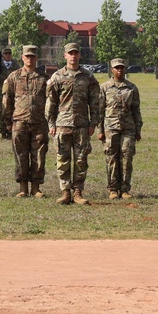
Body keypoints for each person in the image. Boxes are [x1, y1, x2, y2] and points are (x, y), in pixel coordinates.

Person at [45, 42, 100, 205]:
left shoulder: (88, 77)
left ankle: (78, 192)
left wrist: (93, 122)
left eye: (76, 53)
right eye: (70, 53)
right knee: (62, 159)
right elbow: (51, 103)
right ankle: (65, 192)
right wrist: (51, 124)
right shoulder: (57, 77)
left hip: (82, 125)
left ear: (79, 55)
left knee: (81, 160)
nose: (73, 56)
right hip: (62, 125)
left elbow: (94, 101)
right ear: (65, 56)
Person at [1, 45, 49, 197]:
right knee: (20, 155)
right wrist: (8, 122)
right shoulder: (13, 77)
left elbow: (51, 101)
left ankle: (36, 188)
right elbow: (6, 100)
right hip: (19, 122)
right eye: (27, 56)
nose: (30, 58)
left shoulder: (44, 78)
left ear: (36, 58)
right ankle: (23, 188)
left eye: (32, 56)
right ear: (22, 57)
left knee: (39, 156)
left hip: (39, 122)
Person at [97, 58, 142, 200]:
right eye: (116, 68)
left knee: (127, 158)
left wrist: (138, 129)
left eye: (122, 67)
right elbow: (100, 110)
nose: (119, 70)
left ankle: (125, 189)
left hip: (128, 127)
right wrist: (100, 130)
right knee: (111, 158)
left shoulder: (132, 88)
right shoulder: (104, 87)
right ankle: (113, 189)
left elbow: (136, 110)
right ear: (112, 70)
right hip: (110, 128)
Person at [0, 47, 18, 139]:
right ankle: (3, 132)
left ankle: (10, 132)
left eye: (9, 54)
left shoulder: (15, 65)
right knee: (2, 113)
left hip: (13, 92)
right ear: (2, 55)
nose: (8, 55)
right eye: (6, 54)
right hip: (1, 93)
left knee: (12, 112)